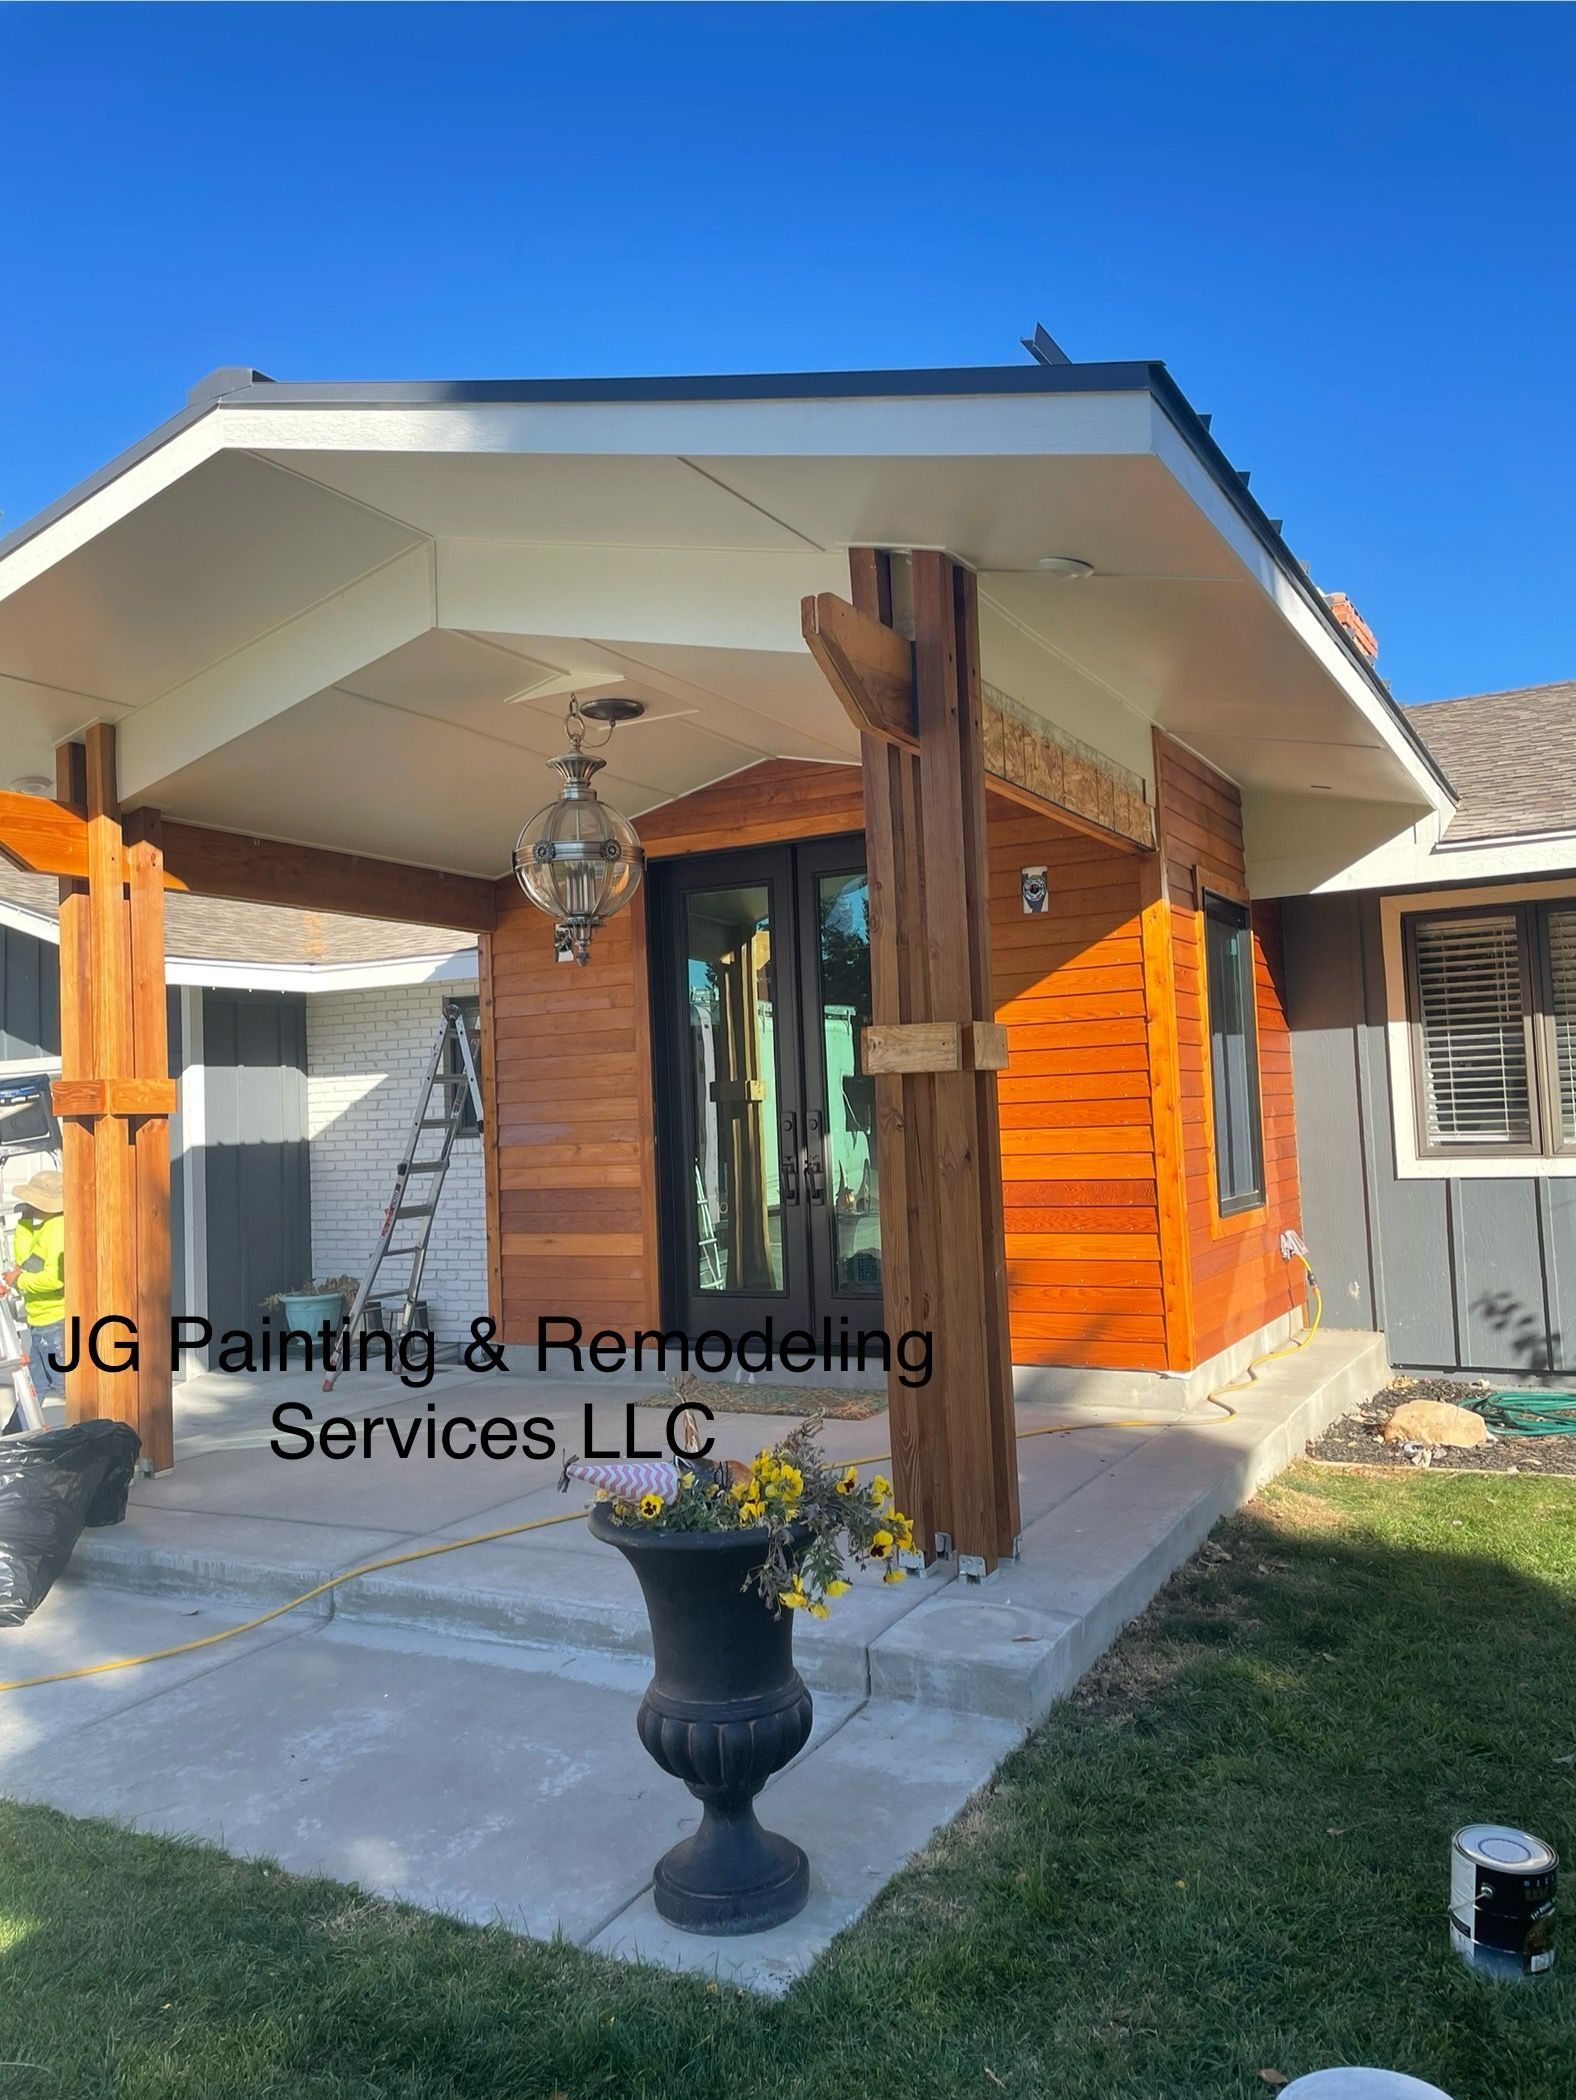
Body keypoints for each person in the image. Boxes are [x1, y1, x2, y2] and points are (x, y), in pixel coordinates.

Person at [3, 1168, 67, 1409]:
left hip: (55, 1321)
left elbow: (55, 1279)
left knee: (66, 1385)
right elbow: (25, 1260)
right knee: (35, 1387)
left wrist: (19, 1281)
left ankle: (94, 1427)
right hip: (41, 1321)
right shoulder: (46, 1227)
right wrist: (25, 1222)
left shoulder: (58, 1231)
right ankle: (16, 1430)